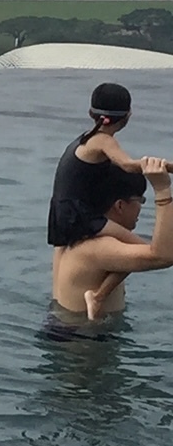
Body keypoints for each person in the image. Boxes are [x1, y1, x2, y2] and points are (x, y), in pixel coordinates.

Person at [47, 83, 145, 318]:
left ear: (91, 114)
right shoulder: (103, 141)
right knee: (141, 249)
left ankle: (82, 297)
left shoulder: (84, 140)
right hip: (79, 214)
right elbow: (127, 165)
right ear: (128, 115)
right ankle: (98, 296)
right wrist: (164, 168)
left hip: (62, 210)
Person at [51, 157, 173, 322]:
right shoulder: (99, 247)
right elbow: (164, 256)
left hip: (66, 331)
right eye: (141, 201)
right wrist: (162, 189)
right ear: (120, 205)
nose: (141, 208)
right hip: (85, 341)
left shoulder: (70, 237)